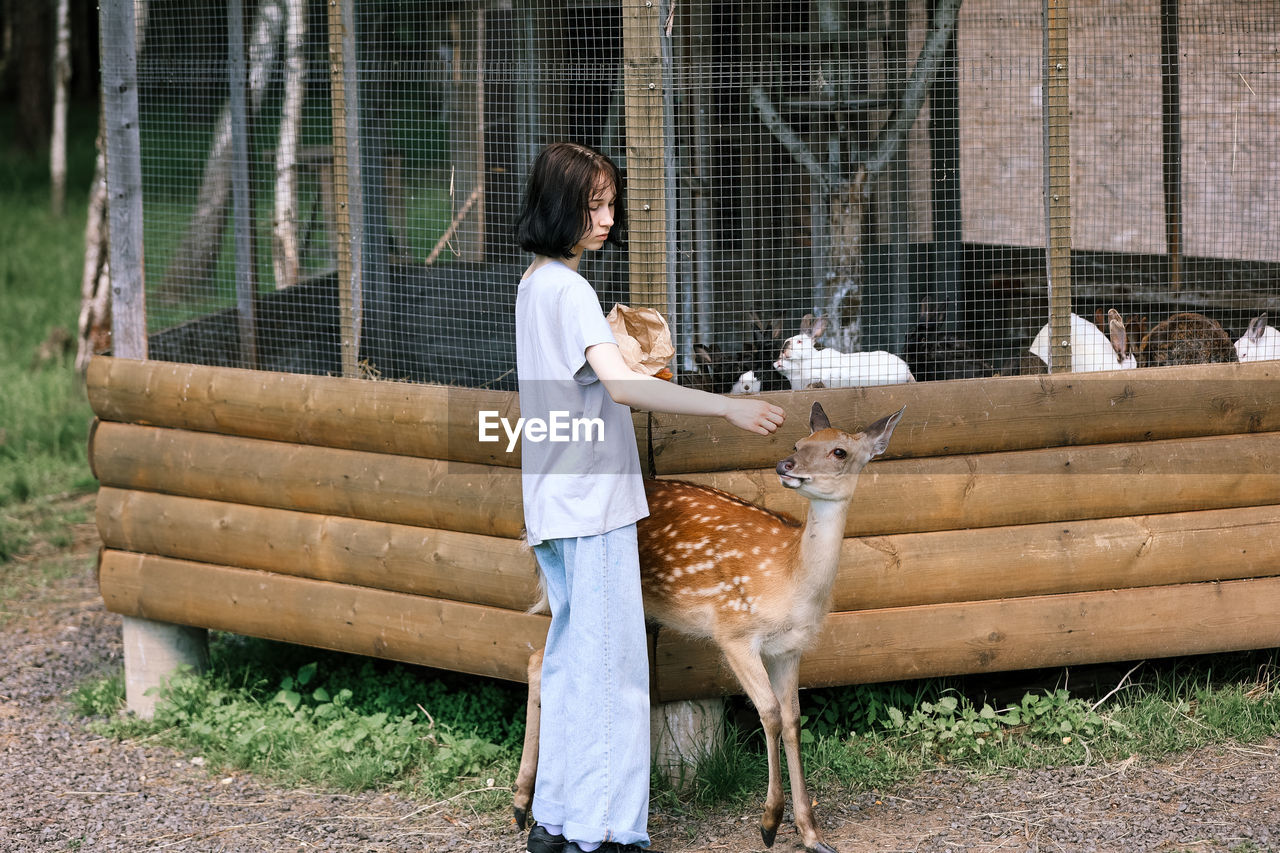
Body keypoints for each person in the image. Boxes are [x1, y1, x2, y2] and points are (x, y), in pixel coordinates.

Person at [513, 141, 785, 853]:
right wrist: (725, 408)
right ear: (559, 207)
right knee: (615, 669)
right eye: (591, 205)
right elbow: (622, 386)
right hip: (594, 503)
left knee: (574, 659)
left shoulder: (534, 283)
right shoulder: (570, 291)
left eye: (608, 204)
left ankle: (557, 820)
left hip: (550, 499)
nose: (605, 219)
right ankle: (605, 833)